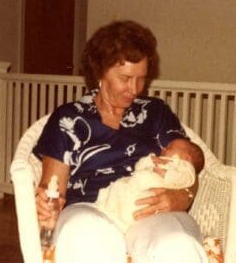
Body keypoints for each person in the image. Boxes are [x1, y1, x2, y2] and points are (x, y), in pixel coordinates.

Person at [34, 20, 208, 263]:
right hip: (90, 207)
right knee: (86, 236)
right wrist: (47, 205)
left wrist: (183, 196)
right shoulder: (69, 119)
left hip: (150, 211)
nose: (135, 89)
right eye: (125, 78)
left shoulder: (155, 113)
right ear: (99, 72)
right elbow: (51, 188)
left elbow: (188, 164)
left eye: (141, 79)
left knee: (176, 246)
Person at [95, 138, 203, 232]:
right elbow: (139, 167)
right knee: (118, 187)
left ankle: (122, 224)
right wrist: (150, 160)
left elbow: (186, 179)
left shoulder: (185, 168)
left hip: (150, 193)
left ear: (187, 158)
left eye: (170, 147)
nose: (164, 148)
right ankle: (104, 207)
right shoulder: (160, 160)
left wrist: (167, 174)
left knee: (133, 205)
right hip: (136, 184)